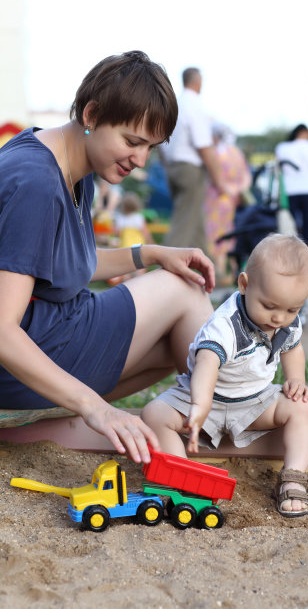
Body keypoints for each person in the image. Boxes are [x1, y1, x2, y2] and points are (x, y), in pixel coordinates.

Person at [0, 50, 216, 464]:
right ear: (92, 113)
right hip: (24, 352)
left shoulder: (69, 162)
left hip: (51, 332)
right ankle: (226, 427)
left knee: (174, 353)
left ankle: (201, 430)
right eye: (133, 141)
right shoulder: (36, 183)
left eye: (151, 147)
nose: (140, 160)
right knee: (186, 294)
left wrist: (149, 253)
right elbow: (3, 328)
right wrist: (93, 406)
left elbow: (61, 262)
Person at [142, 234, 308, 517]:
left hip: (253, 402)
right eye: (270, 306)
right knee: (154, 414)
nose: (278, 318)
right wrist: (199, 404)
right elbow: (207, 363)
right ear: (244, 285)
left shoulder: (287, 321)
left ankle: (293, 477)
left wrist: (296, 379)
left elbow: (293, 348)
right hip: (204, 397)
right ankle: (180, 475)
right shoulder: (226, 324)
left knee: (302, 408)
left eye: (291, 309)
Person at [161, 67, 228, 253]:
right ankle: (164, 268)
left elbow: (160, 141)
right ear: (198, 81)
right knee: (184, 221)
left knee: (194, 219)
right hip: (190, 168)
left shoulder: (174, 103)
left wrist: (166, 164)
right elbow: (204, 146)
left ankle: (206, 266)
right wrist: (218, 180)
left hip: (172, 167)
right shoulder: (194, 105)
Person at [204, 122, 252, 286]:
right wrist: (238, 190)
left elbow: (214, 178)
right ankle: (234, 272)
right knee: (233, 234)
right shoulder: (236, 153)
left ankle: (219, 272)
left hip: (216, 198)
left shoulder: (215, 153)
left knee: (217, 235)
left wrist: (226, 189)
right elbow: (246, 176)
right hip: (235, 199)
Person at [275, 124, 308, 251]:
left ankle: (289, 262)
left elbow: (278, 173)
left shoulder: (282, 148)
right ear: (306, 133)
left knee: (288, 230)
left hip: (289, 192)